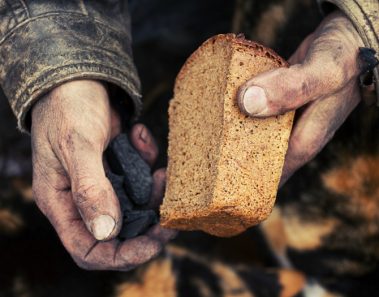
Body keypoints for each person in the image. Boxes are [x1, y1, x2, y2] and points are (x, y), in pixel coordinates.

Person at [0, 0, 377, 279]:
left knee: (324, 261)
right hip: (126, 31)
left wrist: (365, 25)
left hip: (350, 152)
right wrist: (63, 67)